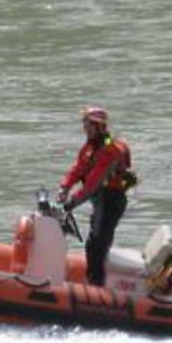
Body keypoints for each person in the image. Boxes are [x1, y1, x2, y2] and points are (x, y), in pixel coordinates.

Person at [57, 106, 135, 287]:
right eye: (84, 123)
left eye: (89, 124)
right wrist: (64, 187)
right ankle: (95, 279)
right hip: (100, 200)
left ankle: (97, 286)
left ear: (100, 127)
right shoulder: (90, 147)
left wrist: (71, 203)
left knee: (96, 245)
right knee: (94, 242)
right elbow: (78, 169)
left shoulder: (110, 151)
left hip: (111, 201)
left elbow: (93, 184)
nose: (85, 128)